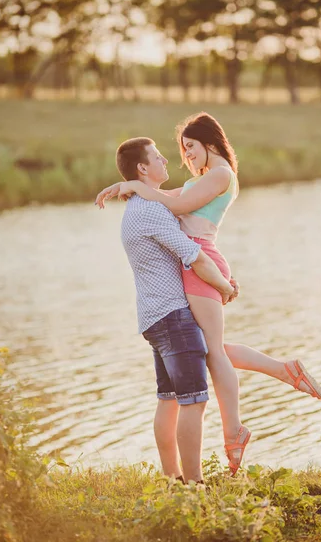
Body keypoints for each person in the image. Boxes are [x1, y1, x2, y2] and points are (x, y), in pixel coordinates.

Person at [96, 112, 321, 475]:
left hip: (202, 261)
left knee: (212, 351)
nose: (185, 156)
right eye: (182, 150)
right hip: (197, 265)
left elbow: (177, 206)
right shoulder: (201, 178)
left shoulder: (220, 174)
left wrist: (137, 187)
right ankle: (283, 371)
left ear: (210, 143)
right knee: (207, 350)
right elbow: (169, 195)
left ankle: (235, 429)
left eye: (190, 148)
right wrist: (128, 185)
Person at [98, 135, 236, 484]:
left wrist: (127, 185)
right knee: (193, 401)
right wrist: (224, 286)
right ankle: (194, 485)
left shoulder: (139, 207)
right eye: (158, 157)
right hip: (174, 316)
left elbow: (181, 203)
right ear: (143, 167)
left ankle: (172, 479)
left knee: (169, 399)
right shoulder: (152, 211)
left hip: (153, 316)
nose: (166, 161)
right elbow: (195, 257)